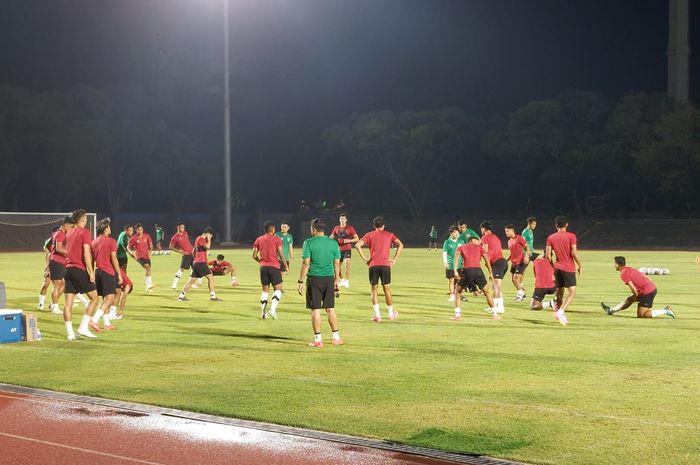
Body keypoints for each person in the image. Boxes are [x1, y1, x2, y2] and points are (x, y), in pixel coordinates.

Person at [297, 218, 343, 348]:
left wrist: (300, 280)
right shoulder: (333, 243)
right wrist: (337, 280)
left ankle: (318, 340)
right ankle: (336, 338)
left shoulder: (308, 243)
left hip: (314, 279)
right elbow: (337, 264)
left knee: (315, 310)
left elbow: (306, 263)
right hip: (329, 278)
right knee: (330, 309)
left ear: (314, 229)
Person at [355, 216, 404, 322]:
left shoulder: (369, 235)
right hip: (385, 265)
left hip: (373, 265)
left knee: (374, 290)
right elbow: (400, 245)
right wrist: (394, 259)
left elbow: (357, 245)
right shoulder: (389, 235)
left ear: (374, 226)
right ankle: (391, 314)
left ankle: (377, 315)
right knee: (387, 289)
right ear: (383, 225)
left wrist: (365, 259)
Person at [62, 209, 100, 340]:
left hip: (67, 269)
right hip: (79, 269)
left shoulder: (68, 233)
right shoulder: (85, 233)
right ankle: (83, 327)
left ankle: (70, 334)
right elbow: (86, 254)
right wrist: (91, 272)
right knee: (94, 298)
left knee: (68, 303)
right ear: (83, 219)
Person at [601, 256, 675, 319]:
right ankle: (610, 310)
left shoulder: (623, 274)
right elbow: (647, 278)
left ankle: (665, 310)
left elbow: (632, 287)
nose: (614, 265)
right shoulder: (630, 269)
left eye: (615, 263)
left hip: (647, 292)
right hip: (650, 288)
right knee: (630, 299)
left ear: (618, 264)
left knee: (642, 315)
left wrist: (636, 296)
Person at [545, 215, 582, 326]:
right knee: (572, 292)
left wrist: (552, 266)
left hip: (557, 268)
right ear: (566, 224)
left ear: (556, 225)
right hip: (568, 268)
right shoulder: (571, 236)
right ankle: (560, 312)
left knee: (560, 293)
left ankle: (559, 314)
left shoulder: (550, 237)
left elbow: (547, 255)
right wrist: (580, 265)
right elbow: (574, 253)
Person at [89, 218, 123, 331]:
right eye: (109, 227)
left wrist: (92, 274)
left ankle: (107, 323)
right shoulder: (111, 241)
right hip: (107, 272)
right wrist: (119, 274)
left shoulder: (93, 242)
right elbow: (114, 259)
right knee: (110, 298)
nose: (110, 228)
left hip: (98, 272)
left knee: (105, 298)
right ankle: (94, 320)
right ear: (105, 229)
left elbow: (91, 260)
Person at [452, 236, 496, 320]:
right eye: (477, 241)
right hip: (478, 271)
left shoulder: (461, 247)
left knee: (458, 292)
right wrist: (490, 273)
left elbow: (456, 256)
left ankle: (457, 315)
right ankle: (495, 315)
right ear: (473, 240)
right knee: (487, 292)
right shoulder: (479, 247)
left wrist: (455, 270)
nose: (479, 242)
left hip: (467, 271)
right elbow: (487, 260)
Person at [253, 221, 288, 319]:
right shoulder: (277, 239)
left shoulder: (259, 239)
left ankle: (263, 313)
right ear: (273, 230)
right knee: (278, 289)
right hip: (274, 267)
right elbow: (281, 254)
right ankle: (272, 309)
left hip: (263, 267)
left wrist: (260, 262)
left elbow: (254, 255)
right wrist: (285, 265)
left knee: (265, 291)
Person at [178, 227, 221, 302]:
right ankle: (213, 296)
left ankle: (181, 296)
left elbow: (193, 251)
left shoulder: (198, 239)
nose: (210, 237)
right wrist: (209, 239)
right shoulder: (201, 239)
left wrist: (196, 259)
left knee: (192, 280)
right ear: (208, 233)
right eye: (210, 235)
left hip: (198, 262)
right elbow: (208, 247)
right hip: (200, 263)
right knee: (210, 277)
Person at [47, 216, 75, 315]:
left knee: (63, 285)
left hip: (59, 262)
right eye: (70, 227)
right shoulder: (60, 234)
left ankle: (53, 304)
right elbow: (58, 249)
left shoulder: (58, 233)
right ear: (65, 225)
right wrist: (70, 253)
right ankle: (54, 307)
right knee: (58, 285)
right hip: (57, 262)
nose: (71, 229)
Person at [480, 221, 507, 315]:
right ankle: (494, 306)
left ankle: (501, 307)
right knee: (495, 286)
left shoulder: (484, 237)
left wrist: (485, 262)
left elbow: (485, 251)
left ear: (483, 229)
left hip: (497, 263)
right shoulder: (496, 237)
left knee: (497, 286)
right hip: (502, 262)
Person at [329, 213, 359, 288]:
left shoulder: (350, 228)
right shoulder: (336, 228)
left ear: (346, 220)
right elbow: (331, 236)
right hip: (338, 250)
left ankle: (347, 281)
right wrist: (325, 240)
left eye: (344, 219)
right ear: (339, 219)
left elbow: (357, 238)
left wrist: (348, 241)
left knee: (347, 265)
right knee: (337, 267)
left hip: (347, 249)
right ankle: (342, 280)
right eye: (341, 219)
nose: (342, 220)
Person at [504, 224, 530, 302]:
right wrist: (506, 260)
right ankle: (522, 294)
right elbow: (512, 253)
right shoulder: (509, 241)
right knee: (513, 280)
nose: (506, 233)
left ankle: (520, 296)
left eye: (507, 231)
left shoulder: (519, 238)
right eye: (505, 231)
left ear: (512, 231)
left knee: (516, 279)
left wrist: (526, 256)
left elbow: (527, 247)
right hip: (514, 263)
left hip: (521, 262)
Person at [127, 223, 155, 292]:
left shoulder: (147, 236)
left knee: (148, 269)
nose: (140, 231)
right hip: (139, 256)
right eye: (138, 230)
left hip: (146, 256)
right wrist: (131, 252)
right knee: (147, 267)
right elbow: (128, 247)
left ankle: (148, 287)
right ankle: (149, 285)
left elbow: (151, 245)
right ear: (136, 230)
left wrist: (150, 251)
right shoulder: (134, 238)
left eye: (141, 229)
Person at [169, 222, 195, 289]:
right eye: (181, 227)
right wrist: (179, 251)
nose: (183, 229)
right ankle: (174, 284)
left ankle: (191, 283)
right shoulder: (175, 237)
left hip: (193, 253)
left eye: (183, 227)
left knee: (195, 269)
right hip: (186, 254)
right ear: (178, 227)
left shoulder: (185, 233)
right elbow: (170, 247)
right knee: (181, 269)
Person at [442, 226, 465, 302]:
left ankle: (461, 295)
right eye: (455, 232)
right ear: (451, 233)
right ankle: (452, 295)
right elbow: (444, 253)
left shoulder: (461, 241)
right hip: (451, 264)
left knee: (460, 280)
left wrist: (465, 261)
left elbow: (464, 252)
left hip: (460, 264)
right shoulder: (447, 242)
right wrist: (445, 263)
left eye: (457, 232)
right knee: (451, 280)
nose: (457, 234)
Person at [37, 227, 57, 310]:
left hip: (59, 266)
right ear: (52, 233)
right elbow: (47, 255)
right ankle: (41, 303)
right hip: (50, 265)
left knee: (57, 286)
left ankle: (52, 304)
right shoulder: (48, 241)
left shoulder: (62, 240)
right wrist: (47, 266)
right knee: (46, 284)